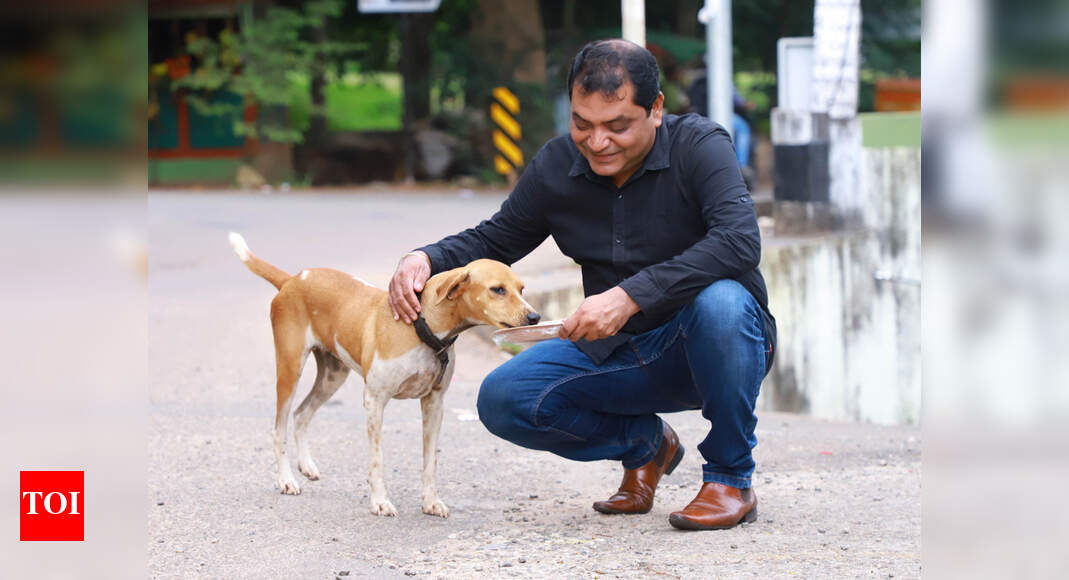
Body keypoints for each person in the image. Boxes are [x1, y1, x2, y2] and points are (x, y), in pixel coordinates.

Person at [388, 39, 776, 531]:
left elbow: (739, 242)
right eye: (582, 124)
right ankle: (648, 447)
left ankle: (729, 479)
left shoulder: (701, 146)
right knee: (504, 399)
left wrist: (630, 295)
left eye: (617, 126)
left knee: (722, 302)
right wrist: (424, 257)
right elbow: (497, 237)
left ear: (656, 109)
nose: (597, 142)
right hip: (618, 351)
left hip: (715, 345)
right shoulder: (557, 166)